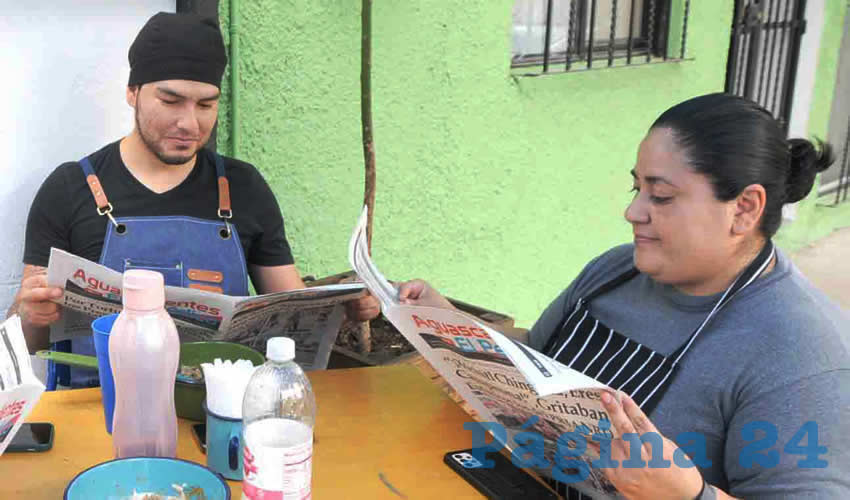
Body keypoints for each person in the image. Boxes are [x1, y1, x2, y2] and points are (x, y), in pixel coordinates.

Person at [399, 94, 850, 499]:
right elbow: (532, 372)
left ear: (745, 208)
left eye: (662, 196)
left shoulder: (800, 352)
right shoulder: (615, 270)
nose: (633, 212)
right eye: (638, 189)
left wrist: (688, 495)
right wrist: (454, 326)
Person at [8, 12, 379, 386]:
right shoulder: (70, 188)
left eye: (206, 105)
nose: (190, 123)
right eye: (171, 101)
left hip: (219, 410)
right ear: (132, 92)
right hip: (97, 413)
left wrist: (341, 312)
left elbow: (292, 310)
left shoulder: (243, 187)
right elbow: (27, 348)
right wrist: (29, 314)